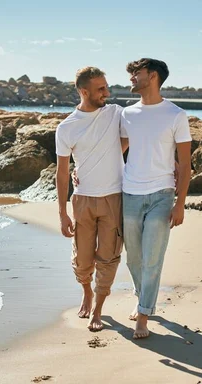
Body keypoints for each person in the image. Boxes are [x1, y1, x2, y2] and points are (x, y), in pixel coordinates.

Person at [119, 58, 192, 339]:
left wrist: (180, 202)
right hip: (131, 193)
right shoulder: (127, 114)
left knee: (152, 258)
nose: (131, 79)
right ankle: (144, 298)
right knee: (133, 258)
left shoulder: (176, 115)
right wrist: (83, 171)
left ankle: (143, 314)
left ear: (152, 76)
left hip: (162, 194)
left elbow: (184, 164)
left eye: (136, 74)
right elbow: (116, 151)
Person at [55, 66, 126, 332]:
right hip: (82, 200)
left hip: (113, 198)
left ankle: (98, 307)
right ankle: (86, 291)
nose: (106, 93)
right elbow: (62, 174)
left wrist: (109, 156)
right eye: (101, 89)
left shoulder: (116, 113)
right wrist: (62, 213)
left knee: (108, 256)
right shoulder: (67, 127)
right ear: (84, 92)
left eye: (106, 87)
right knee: (83, 258)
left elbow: (131, 136)